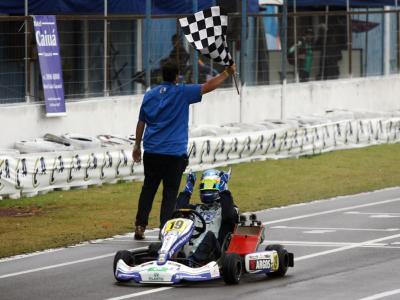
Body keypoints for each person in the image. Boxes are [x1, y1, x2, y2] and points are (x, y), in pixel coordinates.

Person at [132, 59, 236, 240]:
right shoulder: (182, 92)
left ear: (161, 75)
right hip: (173, 154)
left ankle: (140, 225)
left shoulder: (150, 95)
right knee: (170, 194)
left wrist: (136, 145)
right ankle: (164, 229)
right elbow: (208, 86)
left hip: (152, 152)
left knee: (148, 189)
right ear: (177, 77)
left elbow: (141, 121)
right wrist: (227, 73)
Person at [175, 169, 238, 265]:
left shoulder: (227, 209)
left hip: (214, 253)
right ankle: (165, 256)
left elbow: (229, 217)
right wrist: (188, 190)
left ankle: (193, 261)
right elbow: (178, 213)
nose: (207, 189)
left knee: (210, 235)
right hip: (190, 248)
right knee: (176, 226)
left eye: (211, 186)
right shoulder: (197, 208)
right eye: (204, 186)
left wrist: (224, 192)